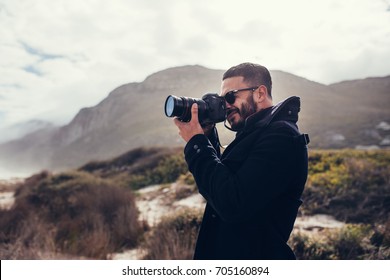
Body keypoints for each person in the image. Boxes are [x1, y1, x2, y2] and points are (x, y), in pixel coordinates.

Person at [173, 62, 309, 260]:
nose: (225, 105)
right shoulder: (254, 133)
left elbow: (232, 202)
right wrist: (207, 135)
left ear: (260, 93)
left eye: (230, 96)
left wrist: (196, 143)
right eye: (222, 99)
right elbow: (225, 179)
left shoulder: (282, 137)